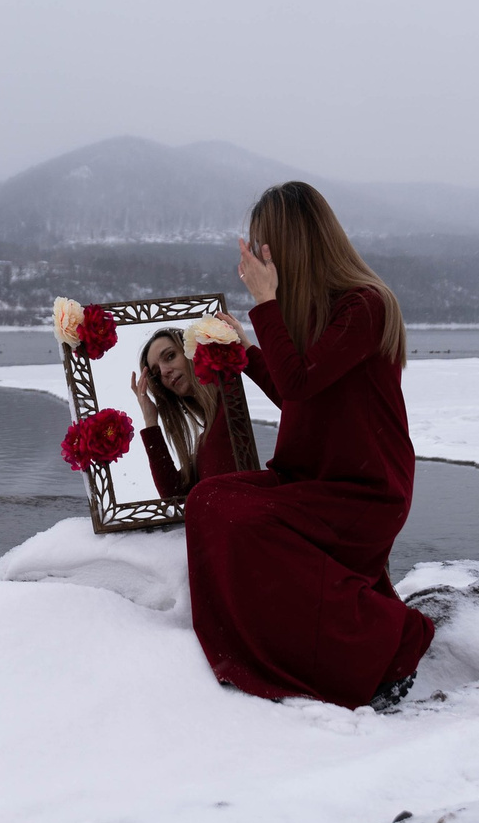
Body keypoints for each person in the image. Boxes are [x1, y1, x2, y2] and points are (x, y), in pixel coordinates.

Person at [185, 181, 435, 711]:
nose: (257, 258)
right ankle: (259, 647)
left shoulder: (365, 305)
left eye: (263, 245)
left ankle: (393, 641)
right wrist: (246, 351)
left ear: (291, 243)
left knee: (244, 521)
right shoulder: (314, 313)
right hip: (313, 479)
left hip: (363, 491)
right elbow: (297, 398)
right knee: (208, 499)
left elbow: (299, 384)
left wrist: (266, 303)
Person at [129, 325, 248, 499]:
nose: (164, 372)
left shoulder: (233, 401)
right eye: (157, 373)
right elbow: (172, 492)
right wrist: (150, 420)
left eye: (170, 356)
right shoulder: (205, 442)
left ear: (192, 351)